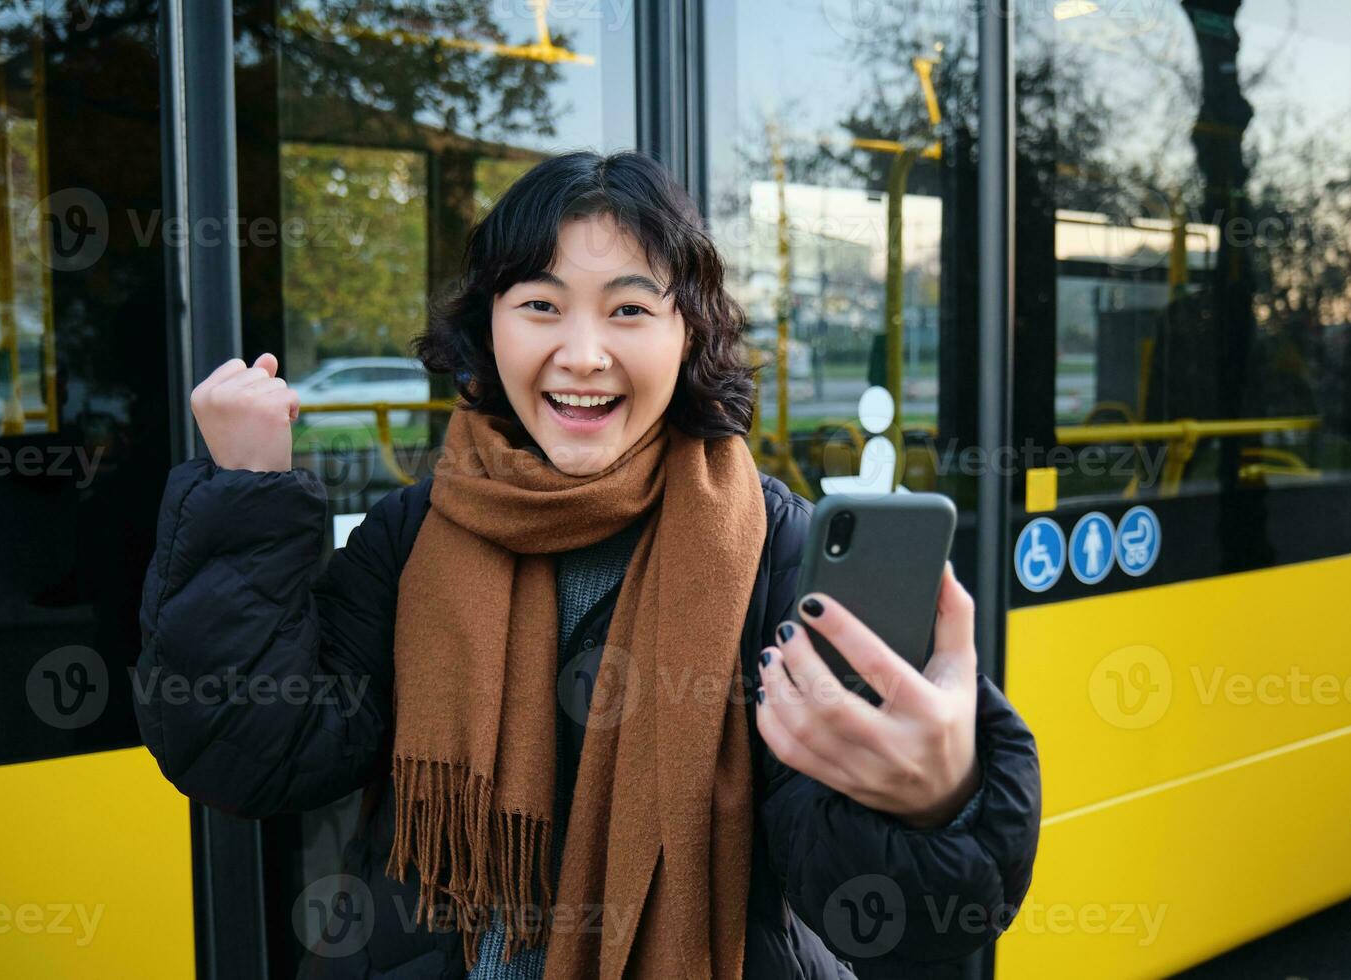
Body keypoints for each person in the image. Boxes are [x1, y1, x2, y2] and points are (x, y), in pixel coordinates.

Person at [135, 150, 1041, 980]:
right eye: (539, 304)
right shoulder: (412, 533)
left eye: (630, 309)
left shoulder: (775, 551)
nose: (582, 354)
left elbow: (894, 909)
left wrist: (940, 803)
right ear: (488, 327)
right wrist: (243, 494)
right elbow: (256, 758)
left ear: (688, 334)